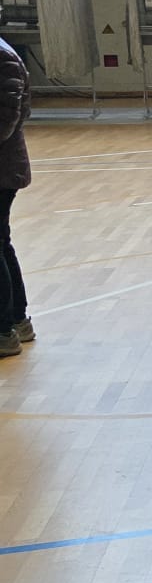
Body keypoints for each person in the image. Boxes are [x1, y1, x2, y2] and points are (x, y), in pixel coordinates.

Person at [0, 35, 32, 357]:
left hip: (3, 170)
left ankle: (4, 329)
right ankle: (18, 321)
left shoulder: (3, 57)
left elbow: (5, 121)